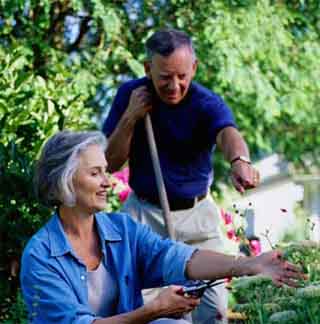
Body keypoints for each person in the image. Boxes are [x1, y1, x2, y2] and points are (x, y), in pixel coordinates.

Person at [20, 130, 304, 324]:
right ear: (65, 181)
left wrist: (249, 265)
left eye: (106, 171)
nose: (108, 181)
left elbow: (176, 257)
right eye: (95, 173)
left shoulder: (121, 230)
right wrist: (151, 312)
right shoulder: (41, 256)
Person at [102, 29, 260, 323]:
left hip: (198, 218)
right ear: (148, 69)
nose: (174, 85)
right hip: (144, 217)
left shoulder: (204, 102)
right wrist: (131, 116)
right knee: (152, 315)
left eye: (182, 76)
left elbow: (228, 134)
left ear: (194, 68)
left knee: (213, 312)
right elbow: (109, 163)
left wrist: (240, 161)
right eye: (164, 77)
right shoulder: (130, 95)